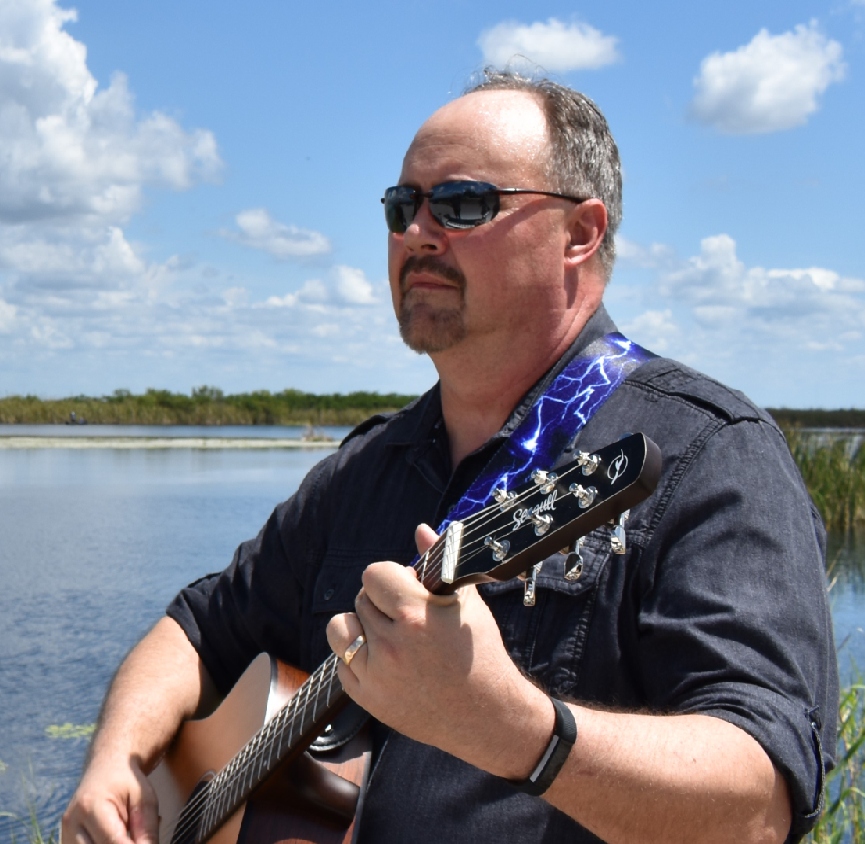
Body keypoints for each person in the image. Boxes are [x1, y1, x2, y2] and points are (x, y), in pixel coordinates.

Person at [63, 71, 837, 844]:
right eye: (402, 207)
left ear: (580, 232)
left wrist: (518, 732)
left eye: (464, 204)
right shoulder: (366, 468)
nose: (417, 233)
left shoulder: (710, 454)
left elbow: (759, 804)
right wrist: (117, 762)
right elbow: (198, 629)